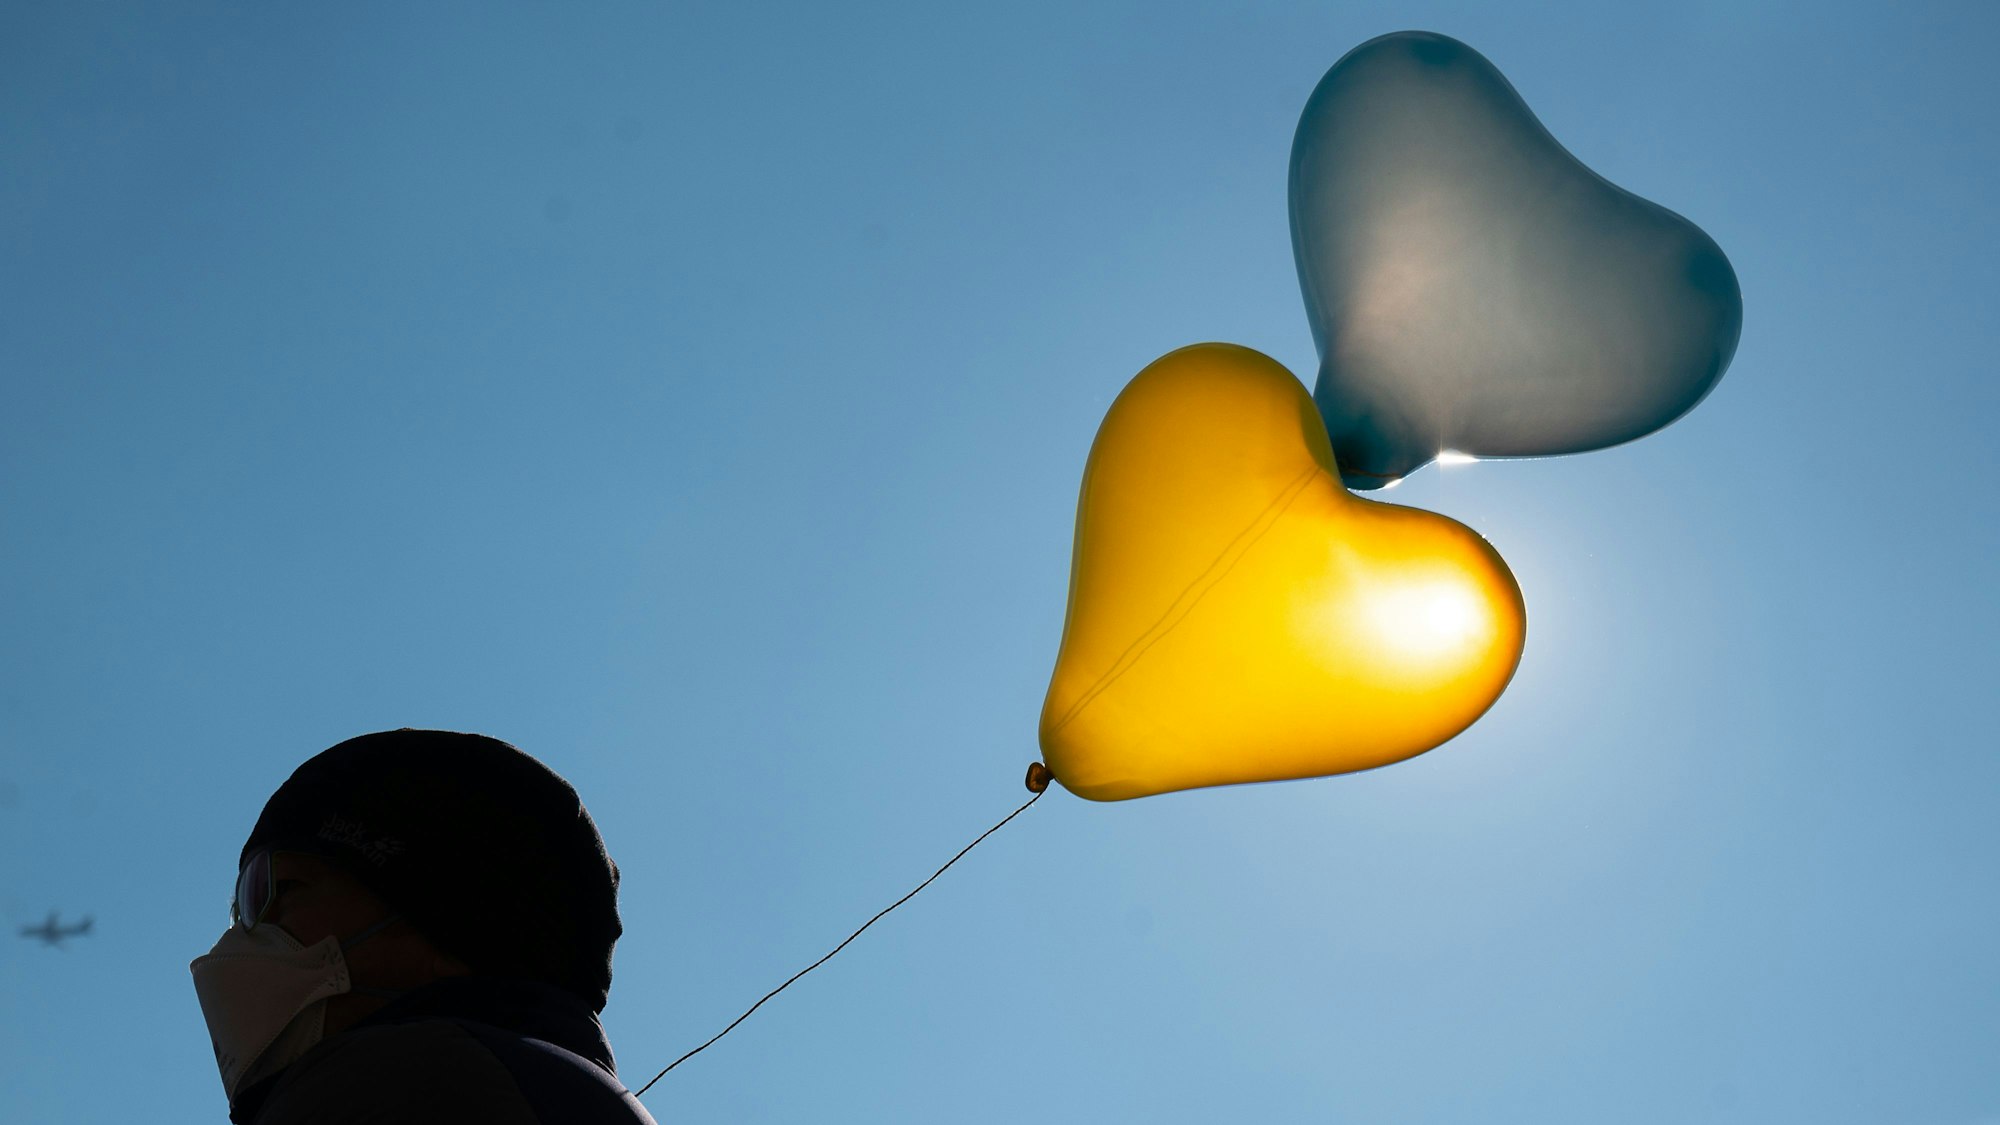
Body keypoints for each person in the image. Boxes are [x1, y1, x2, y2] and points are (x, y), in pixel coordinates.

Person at [189, 729, 658, 1124]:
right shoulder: (546, 1086)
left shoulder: (396, 1079)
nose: (239, 939)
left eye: (277, 890)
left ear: (445, 925)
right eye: (240, 909)